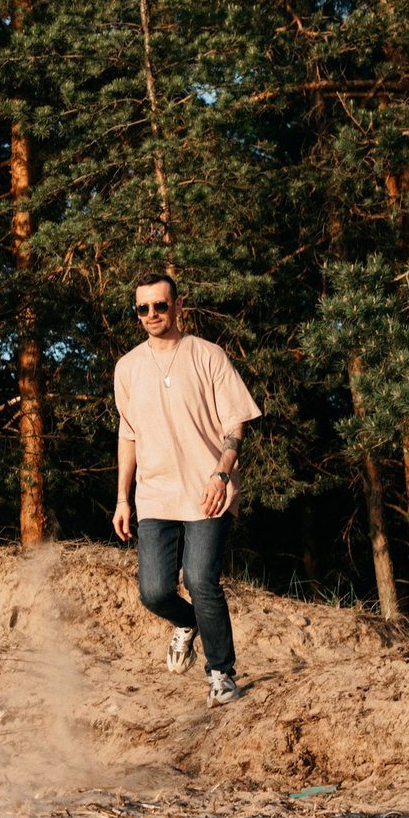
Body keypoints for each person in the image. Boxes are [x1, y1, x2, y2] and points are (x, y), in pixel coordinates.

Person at [110, 272, 261, 707]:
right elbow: (128, 434)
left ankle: (221, 673)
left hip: (207, 489)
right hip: (155, 493)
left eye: (160, 305)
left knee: (199, 577)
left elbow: (236, 422)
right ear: (137, 312)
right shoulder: (128, 367)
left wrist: (221, 472)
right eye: (143, 308)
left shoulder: (208, 356)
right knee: (154, 592)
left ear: (179, 307)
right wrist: (122, 497)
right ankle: (190, 623)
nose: (152, 314)